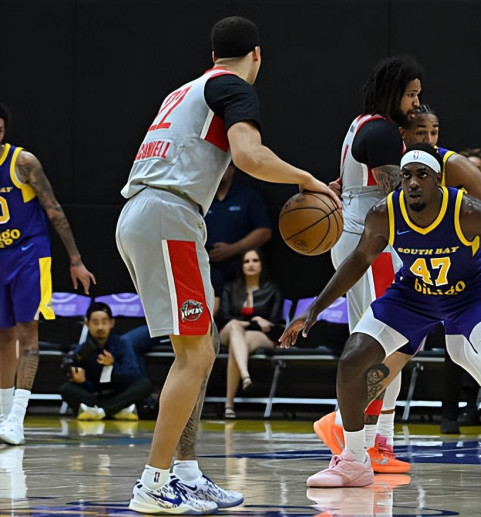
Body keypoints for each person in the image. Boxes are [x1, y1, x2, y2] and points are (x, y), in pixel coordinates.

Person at [115, 16, 340, 514]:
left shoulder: (185, 90)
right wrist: (306, 179)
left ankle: (185, 473)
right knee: (194, 356)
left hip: (154, 213)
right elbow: (249, 155)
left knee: (204, 347)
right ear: (256, 55)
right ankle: (154, 482)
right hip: (168, 215)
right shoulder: (233, 86)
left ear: (213, 53)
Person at [282, 145, 481, 495]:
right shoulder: (384, 212)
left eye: (422, 175)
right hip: (413, 296)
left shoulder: (468, 210)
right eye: (407, 175)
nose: (412, 182)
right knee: (352, 359)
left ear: (438, 179)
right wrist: (314, 309)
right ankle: (354, 460)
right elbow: (359, 259)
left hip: (470, 297)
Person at [318, 85, 481, 472]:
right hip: (417, 271)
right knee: (398, 345)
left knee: (450, 350)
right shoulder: (402, 172)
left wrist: (466, 223)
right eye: (419, 131)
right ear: (402, 136)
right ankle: (368, 435)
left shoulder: (446, 163)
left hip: (462, 273)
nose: (428, 138)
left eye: (434, 131)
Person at [0, 104, 96, 446]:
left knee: (28, 331)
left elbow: (53, 209)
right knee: (3, 336)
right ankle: (3, 415)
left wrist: (75, 259)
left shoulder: (23, 162)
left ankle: (16, 419)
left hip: (29, 253)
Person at [218, 248, 284, 418]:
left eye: (255, 260)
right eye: (246, 261)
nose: (251, 264)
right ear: (241, 266)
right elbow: (224, 317)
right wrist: (254, 320)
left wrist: (254, 322)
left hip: (259, 336)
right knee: (234, 327)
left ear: (262, 264)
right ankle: (245, 375)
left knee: (235, 345)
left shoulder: (272, 289)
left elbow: (273, 322)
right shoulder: (230, 288)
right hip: (229, 331)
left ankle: (229, 405)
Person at [58, 302, 153, 420]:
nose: (100, 327)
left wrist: (113, 366)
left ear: (111, 323)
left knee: (145, 384)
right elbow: (89, 386)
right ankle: (116, 410)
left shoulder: (122, 344)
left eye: (104, 322)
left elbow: (132, 376)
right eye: (95, 322)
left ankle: (101, 411)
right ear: (87, 324)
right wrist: (81, 381)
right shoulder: (83, 350)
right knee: (66, 389)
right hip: (98, 397)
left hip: (120, 394)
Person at [205, 163, 271, 285]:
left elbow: (264, 231)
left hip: (240, 269)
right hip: (207, 267)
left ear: (232, 169)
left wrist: (232, 249)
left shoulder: (247, 195)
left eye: (223, 166)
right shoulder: (203, 198)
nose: (218, 170)